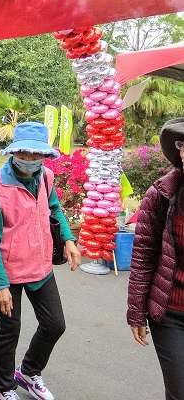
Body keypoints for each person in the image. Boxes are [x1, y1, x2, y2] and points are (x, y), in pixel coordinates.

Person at [0, 122, 81, 400]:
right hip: (8, 271)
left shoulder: (46, 177)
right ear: (14, 152)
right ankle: (4, 388)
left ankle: (28, 371)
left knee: (54, 324)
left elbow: (55, 209)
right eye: (24, 154)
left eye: (37, 155)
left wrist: (69, 239)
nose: (30, 160)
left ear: (45, 156)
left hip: (40, 264)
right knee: (9, 330)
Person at [127, 118, 184, 400]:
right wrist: (136, 311)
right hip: (171, 312)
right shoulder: (161, 195)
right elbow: (143, 257)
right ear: (180, 151)